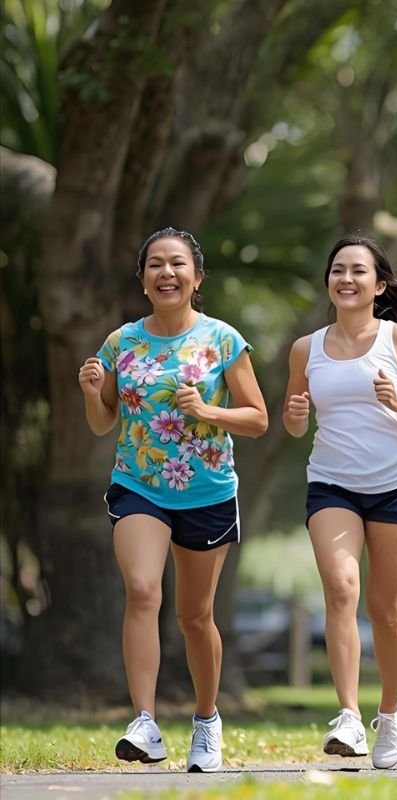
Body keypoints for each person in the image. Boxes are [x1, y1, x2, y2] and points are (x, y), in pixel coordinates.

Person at [79, 228, 269, 773]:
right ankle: (145, 721)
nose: (167, 272)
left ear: (196, 277)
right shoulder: (121, 342)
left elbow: (257, 419)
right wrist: (94, 392)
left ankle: (206, 721)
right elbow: (102, 424)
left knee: (194, 616)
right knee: (141, 591)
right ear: (143, 280)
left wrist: (209, 412)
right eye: (155, 265)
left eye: (177, 264)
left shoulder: (223, 340)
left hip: (207, 491)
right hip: (139, 485)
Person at [283, 235, 397, 770]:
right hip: (332, 483)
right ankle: (349, 716)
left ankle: (389, 711)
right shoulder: (305, 348)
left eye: (358, 271)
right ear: (328, 281)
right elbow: (294, 424)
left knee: (384, 608)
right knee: (341, 587)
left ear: (379, 285)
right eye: (338, 270)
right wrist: (294, 414)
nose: (346, 278)